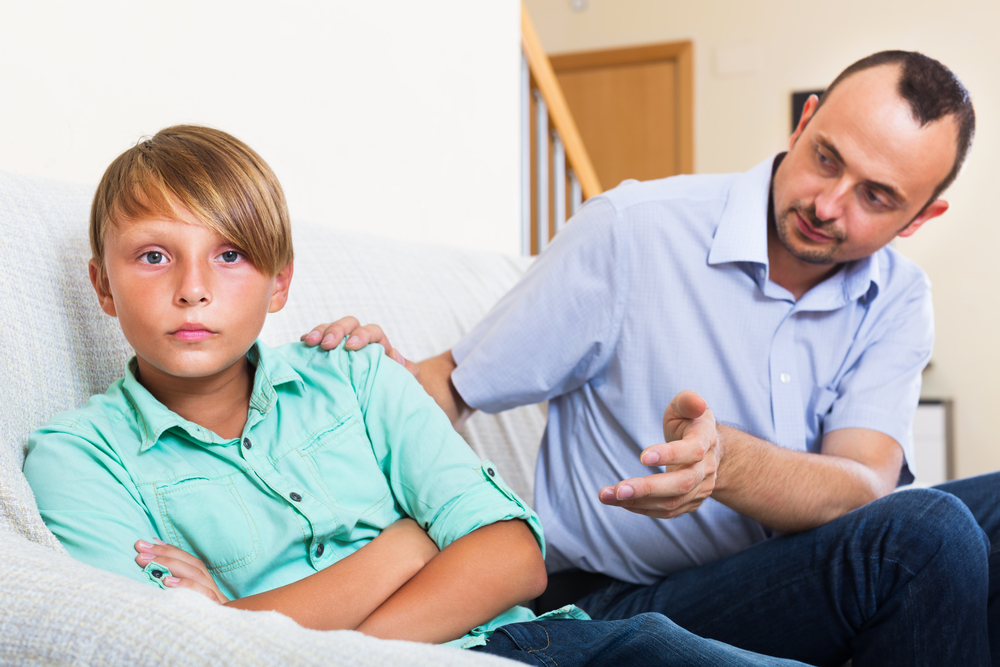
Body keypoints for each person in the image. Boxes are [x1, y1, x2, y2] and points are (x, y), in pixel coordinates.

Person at [303, 51, 999, 666]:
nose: (828, 202)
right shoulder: (633, 231)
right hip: (613, 595)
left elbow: (862, 486)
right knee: (926, 536)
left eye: (876, 197)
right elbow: (450, 386)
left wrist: (724, 461)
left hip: (789, 575)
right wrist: (363, 380)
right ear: (803, 121)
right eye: (826, 157)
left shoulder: (899, 296)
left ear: (919, 218)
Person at [21, 125, 808, 666]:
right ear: (101, 283)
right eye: (154, 255)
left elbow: (514, 557)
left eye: (230, 255)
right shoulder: (78, 459)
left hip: (523, 644)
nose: (193, 289)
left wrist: (281, 625)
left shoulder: (358, 374)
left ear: (280, 281)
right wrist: (410, 543)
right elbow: (182, 645)